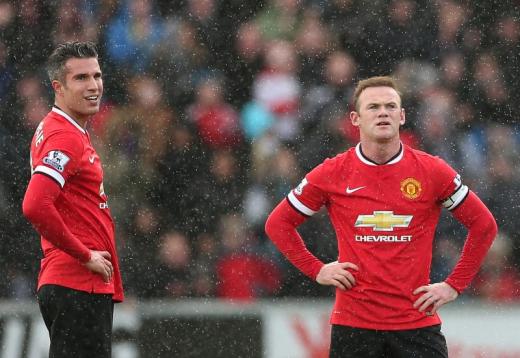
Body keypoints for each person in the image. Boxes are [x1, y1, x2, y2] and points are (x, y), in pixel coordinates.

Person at [265, 76, 497, 357]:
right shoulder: (332, 172)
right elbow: (278, 224)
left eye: (390, 106)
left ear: (402, 116)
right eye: (373, 106)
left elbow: (484, 225)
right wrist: (317, 269)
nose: (383, 112)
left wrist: (454, 285)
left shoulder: (432, 171)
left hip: (416, 325)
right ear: (355, 119)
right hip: (354, 328)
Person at [22, 41, 123, 358]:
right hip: (77, 283)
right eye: (81, 78)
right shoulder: (65, 136)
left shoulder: (60, 129)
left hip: (73, 284)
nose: (94, 85)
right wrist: (85, 255)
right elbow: (35, 204)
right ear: (58, 87)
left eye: (97, 75)